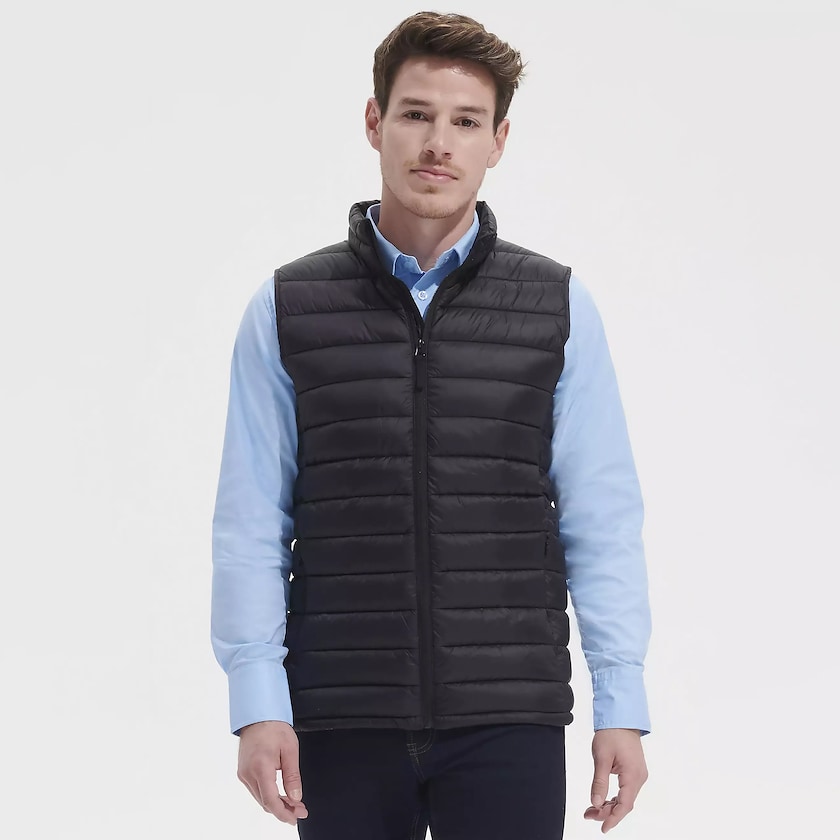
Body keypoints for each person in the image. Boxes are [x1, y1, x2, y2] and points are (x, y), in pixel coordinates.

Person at [211, 10, 651, 839]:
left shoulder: (556, 306)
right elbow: (250, 523)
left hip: (509, 718)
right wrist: (257, 700)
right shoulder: (288, 307)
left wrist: (621, 703)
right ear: (374, 122)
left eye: (466, 122)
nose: (438, 144)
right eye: (416, 114)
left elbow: (602, 521)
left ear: (499, 140)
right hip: (340, 716)